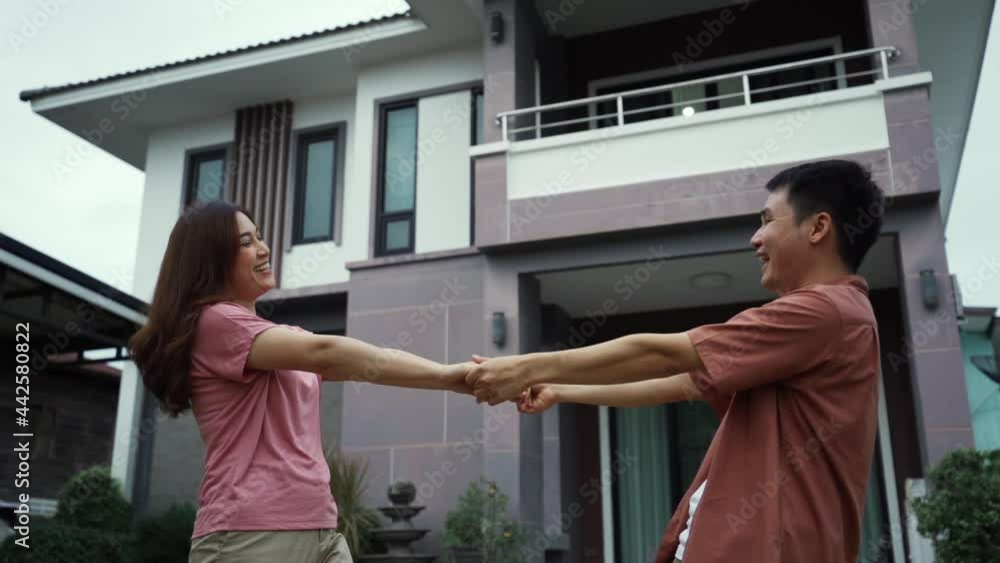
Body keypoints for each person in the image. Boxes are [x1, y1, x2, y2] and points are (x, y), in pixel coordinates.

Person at [466, 159, 886, 563]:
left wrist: (525, 366)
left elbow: (660, 354)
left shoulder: (826, 313)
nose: (754, 239)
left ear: (818, 227)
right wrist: (564, 391)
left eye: (766, 220)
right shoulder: (822, 323)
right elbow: (684, 381)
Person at [129, 201, 474, 563]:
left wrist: (460, 375)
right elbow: (325, 351)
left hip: (319, 530)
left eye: (259, 237)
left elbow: (367, 365)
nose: (263, 249)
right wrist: (447, 376)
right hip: (249, 535)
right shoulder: (215, 323)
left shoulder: (278, 340)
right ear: (211, 260)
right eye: (246, 243)